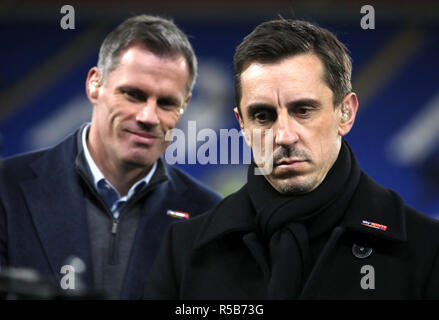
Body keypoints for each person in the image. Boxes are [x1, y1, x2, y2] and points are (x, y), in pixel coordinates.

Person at [144, 19, 439, 299]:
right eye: (262, 115)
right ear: (242, 125)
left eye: (303, 110)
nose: (284, 136)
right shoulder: (184, 251)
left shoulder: (426, 248)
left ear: (345, 112)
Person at [0, 15, 222, 300]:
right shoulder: (7, 189)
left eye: (166, 103)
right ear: (94, 84)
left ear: (185, 106)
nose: (148, 117)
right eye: (133, 94)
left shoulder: (209, 217)